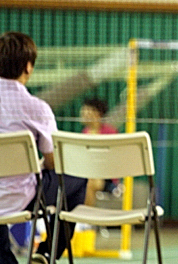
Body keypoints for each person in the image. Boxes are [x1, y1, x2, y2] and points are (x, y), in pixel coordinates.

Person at [0, 32, 87, 264]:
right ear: (28, 67)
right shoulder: (36, 108)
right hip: (23, 196)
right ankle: (47, 253)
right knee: (78, 178)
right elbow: (52, 162)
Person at [80, 98, 119, 206]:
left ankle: (87, 215)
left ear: (98, 114)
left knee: (89, 184)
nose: (83, 114)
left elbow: (114, 158)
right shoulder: (85, 133)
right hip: (88, 174)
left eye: (87, 111)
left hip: (107, 178)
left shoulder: (110, 132)